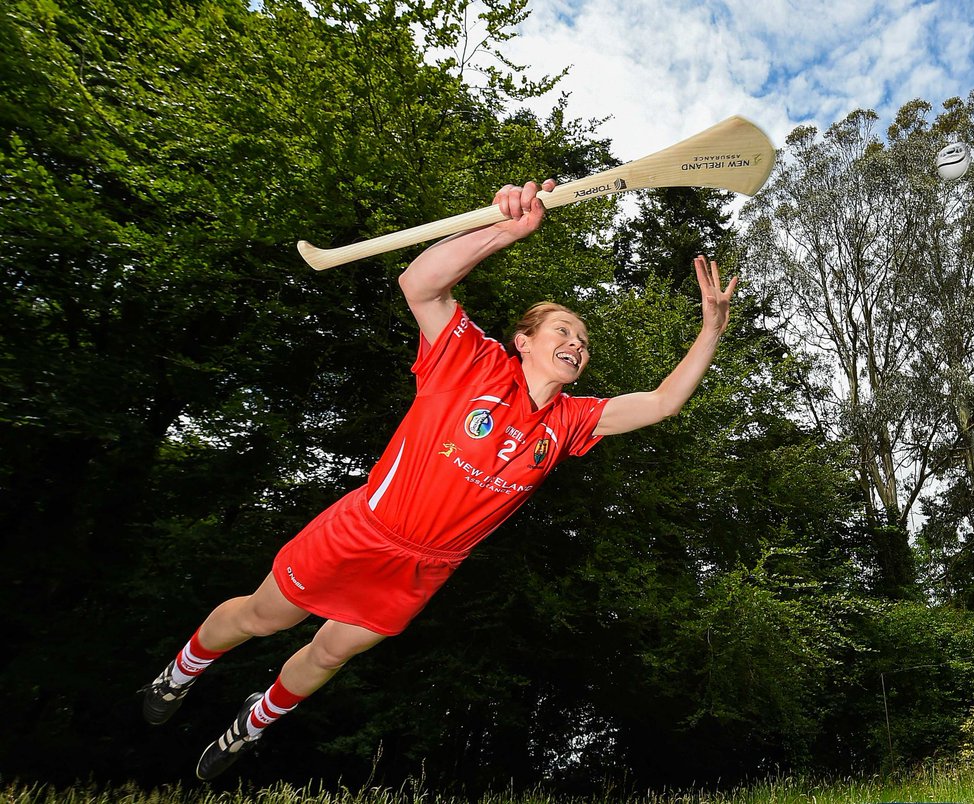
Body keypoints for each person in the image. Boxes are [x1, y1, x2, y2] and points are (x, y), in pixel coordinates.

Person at [142, 179, 738, 780]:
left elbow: (662, 402)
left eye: (582, 342)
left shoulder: (572, 420)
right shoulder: (469, 361)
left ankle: (256, 721)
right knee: (264, 618)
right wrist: (506, 228)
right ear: (523, 341)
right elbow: (418, 284)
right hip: (365, 528)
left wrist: (710, 329)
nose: (576, 345)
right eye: (563, 331)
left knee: (330, 653)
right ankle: (181, 671)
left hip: (427, 563)